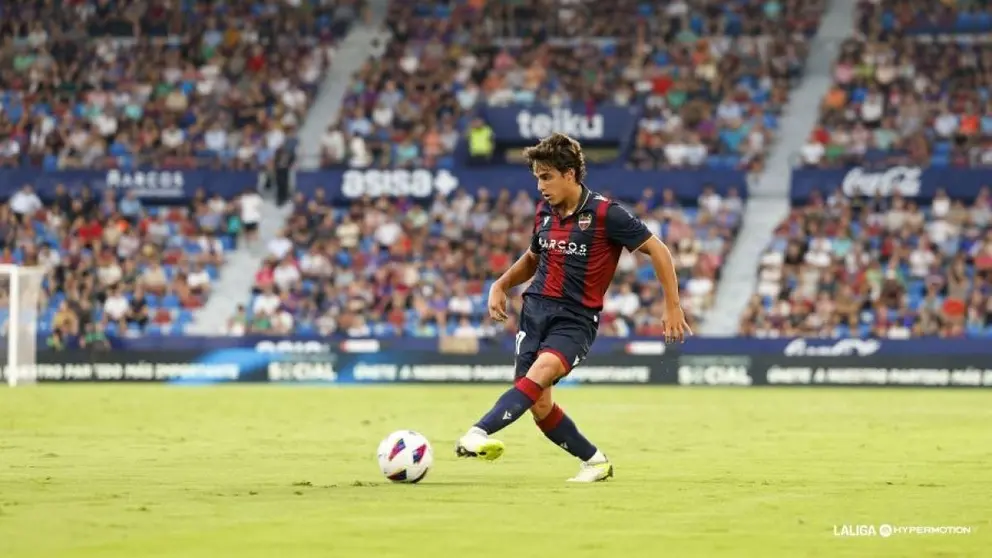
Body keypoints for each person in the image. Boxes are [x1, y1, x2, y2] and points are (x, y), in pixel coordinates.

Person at [455, 133, 692, 483]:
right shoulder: (544, 213)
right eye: (537, 177)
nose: (540, 186)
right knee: (539, 404)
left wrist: (672, 306)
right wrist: (500, 284)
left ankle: (477, 432)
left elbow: (659, 250)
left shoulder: (606, 213)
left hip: (575, 319)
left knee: (540, 373)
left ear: (570, 174)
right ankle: (595, 462)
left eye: (546, 177)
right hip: (534, 314)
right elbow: (534, 257)